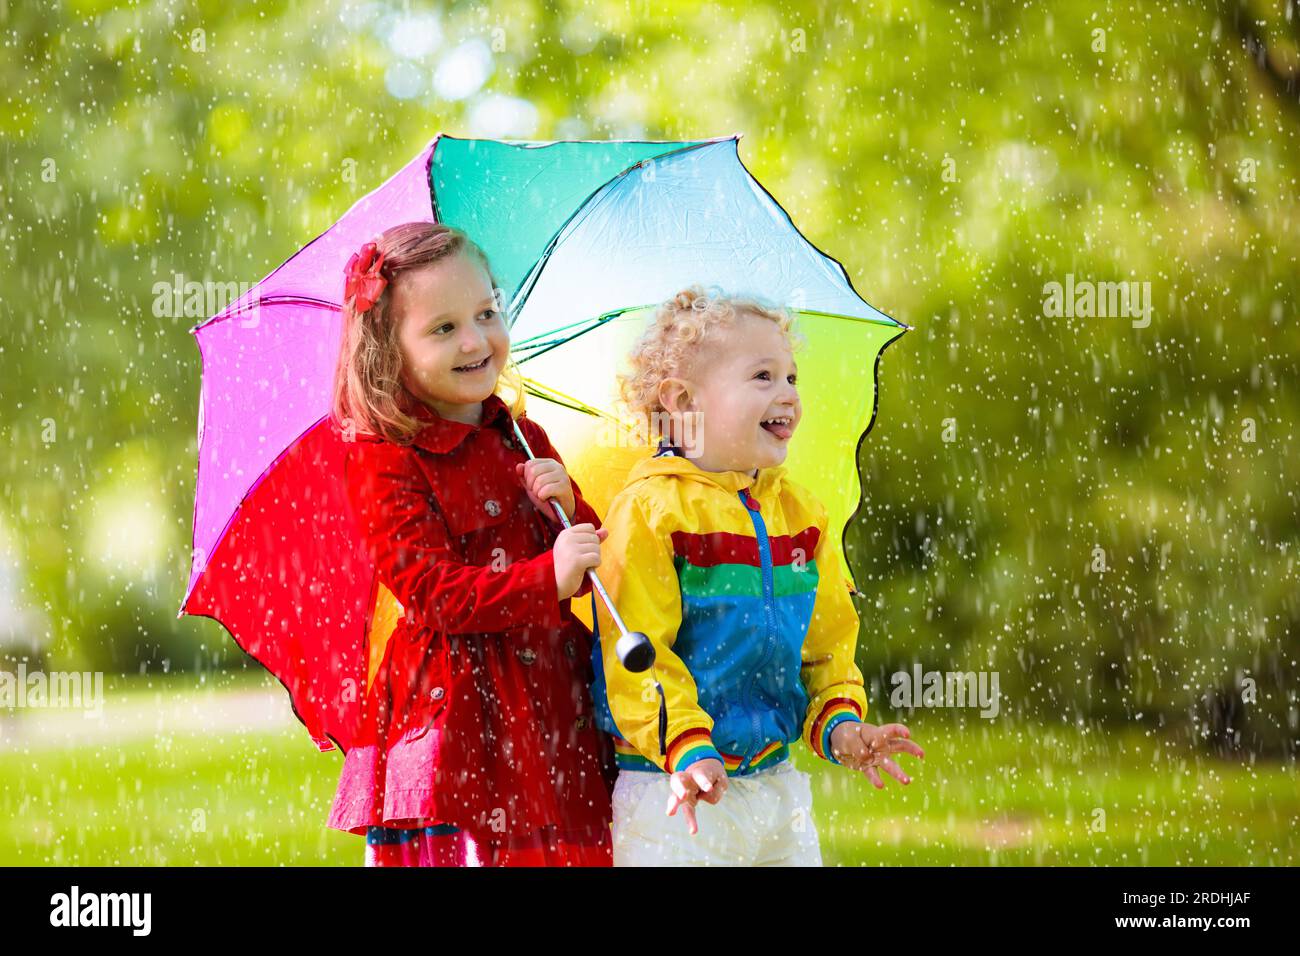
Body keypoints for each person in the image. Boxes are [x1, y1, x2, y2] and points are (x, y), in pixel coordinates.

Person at [589, 286, 924, 865]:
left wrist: (841, 724)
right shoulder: (651, 513)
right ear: (682, 399)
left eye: (792, 378)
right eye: (763, 377)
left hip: (776, 787)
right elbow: (638, 652)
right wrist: (686, 746)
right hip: (674, 793)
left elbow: (826, 644)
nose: (788, 395)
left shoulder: (800, 514)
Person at [325, 221, 615, 866]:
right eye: (443, 328)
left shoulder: (522, 433)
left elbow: (588, 554)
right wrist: (548, 579)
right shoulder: (385, 460)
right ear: (387, 351)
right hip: (458, 708)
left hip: (550, 696)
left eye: (487, 312)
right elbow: (432, 593)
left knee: (566, 845)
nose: (477, 340)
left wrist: (571, 506)